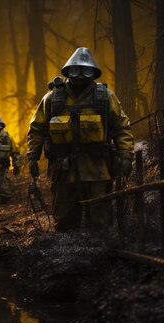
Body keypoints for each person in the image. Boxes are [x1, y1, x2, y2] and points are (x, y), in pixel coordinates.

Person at [27, 47, 134, 231]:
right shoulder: (52, 98)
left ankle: (100, 251)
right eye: (76, 70)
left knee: (100, 219)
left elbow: (121, 126)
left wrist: (125, 155)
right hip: (63, 168)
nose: (81, 75)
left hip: (97, 167)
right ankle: (67, 254)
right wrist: (32, 157)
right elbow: (37, 128)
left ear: (93, 72)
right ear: (68, 71)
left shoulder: (105, 97)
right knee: (64, 218)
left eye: (86, 70)